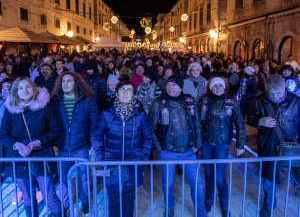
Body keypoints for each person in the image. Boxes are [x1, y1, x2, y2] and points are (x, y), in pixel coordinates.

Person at [0, 77, 62, 217]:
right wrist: (16, 145)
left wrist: (38, 142)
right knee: (28, 197)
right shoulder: (10, 110)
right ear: (15, 91)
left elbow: (55, 129)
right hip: (19, 159)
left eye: (27, 87)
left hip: (42, 157)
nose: (24, 90)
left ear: (33, 88)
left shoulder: (44, 106)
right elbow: (3, 134)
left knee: (50, 198)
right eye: (20, 88)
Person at [92, 80, 152, 217]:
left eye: (129, 90)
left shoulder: (140, 114)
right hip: (112, 164)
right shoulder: (107, 114)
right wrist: (101, 158)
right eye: (122, 90)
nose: (126, 93)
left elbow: (148, 138)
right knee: (113, 201)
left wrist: (142, 158)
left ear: (133, 94)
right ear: (117, 93)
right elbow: (96, 137)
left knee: (128, 201)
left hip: (133, 163)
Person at [149, 74, 206, 217]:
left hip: (188, 151)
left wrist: (197, 145)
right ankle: (169, 209)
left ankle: (201, 212)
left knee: (197, 183)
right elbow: (151, 129)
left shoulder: (189, 101)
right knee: (167, 184)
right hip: (167, 151)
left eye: (174, 85)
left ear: (180, 87)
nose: (170, 87)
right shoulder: (158, 102)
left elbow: (197, 124)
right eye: (168, 84)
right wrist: (160, 150)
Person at [250, 74, 300, 217]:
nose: (275, 96)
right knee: (268, 179)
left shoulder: (296, 102)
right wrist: (259, 122)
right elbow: (250, 117)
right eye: (271, 93)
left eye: (278, 93)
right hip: (268, 146)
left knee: (294, 175)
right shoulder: (259, 101)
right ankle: (269, 204)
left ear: (285, 88)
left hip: (291, 147)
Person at [51, 71, 99, 215]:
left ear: (76, 83)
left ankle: (84, 201)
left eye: (69, 81)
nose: (65, 83)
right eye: (63, 81)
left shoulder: (88, 101)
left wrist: (92, 146)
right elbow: (50, 124)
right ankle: (66, 204)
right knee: (63, 179)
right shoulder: (54, 102)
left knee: (84, 177)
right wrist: (53, 144)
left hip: (81, 147)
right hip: (62, 148)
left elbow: (94, 125)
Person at [199, 77, 245, 216]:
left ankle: (224, 204)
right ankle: (209, 199)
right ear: (210, 88)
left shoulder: (232, 101)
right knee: (208, 173)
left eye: (220, 85)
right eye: (214, 86)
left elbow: (240, 123)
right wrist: (196, 142)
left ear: (224, 87)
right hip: (206, 142)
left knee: (219, 176)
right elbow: (199, 122)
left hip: (222, 144)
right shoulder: (205, 100)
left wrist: (240, 144)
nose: (217, 88)